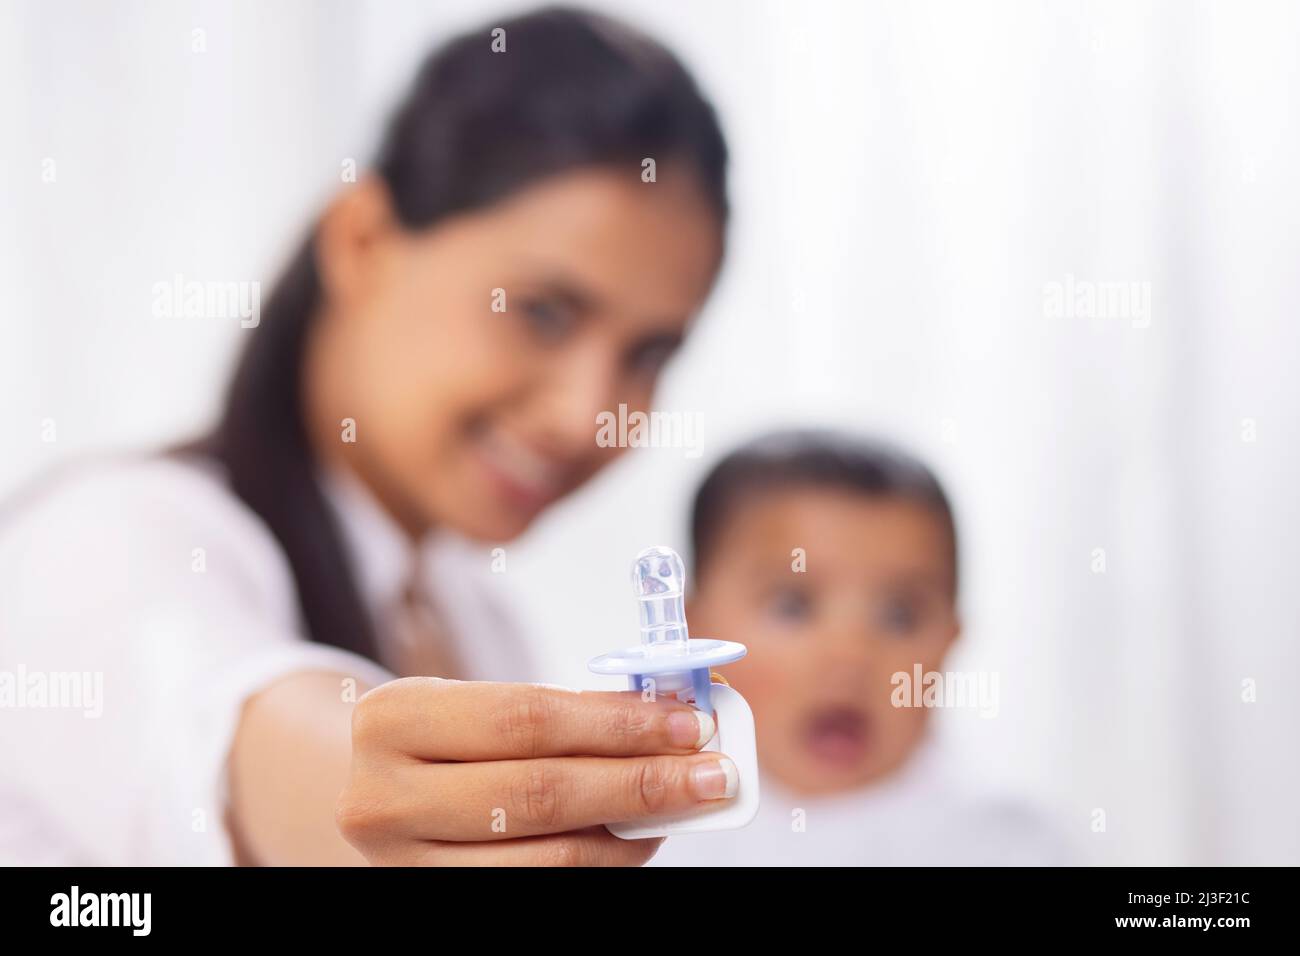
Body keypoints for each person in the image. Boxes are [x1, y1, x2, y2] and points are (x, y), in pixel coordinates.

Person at [0, 6, 739, 866]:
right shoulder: (111, 538)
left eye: (648, 353)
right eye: (541, 312)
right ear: (362, 241)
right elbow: (239, 746)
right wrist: (386, 798)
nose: (589, 412)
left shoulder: (479, 618)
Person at [651, 430, 1071, 865]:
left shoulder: (1012, 845)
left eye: (899, 615)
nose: (850, 655)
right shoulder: (647, 836)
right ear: (694, 634)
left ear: (951, 641)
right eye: (793, 606)